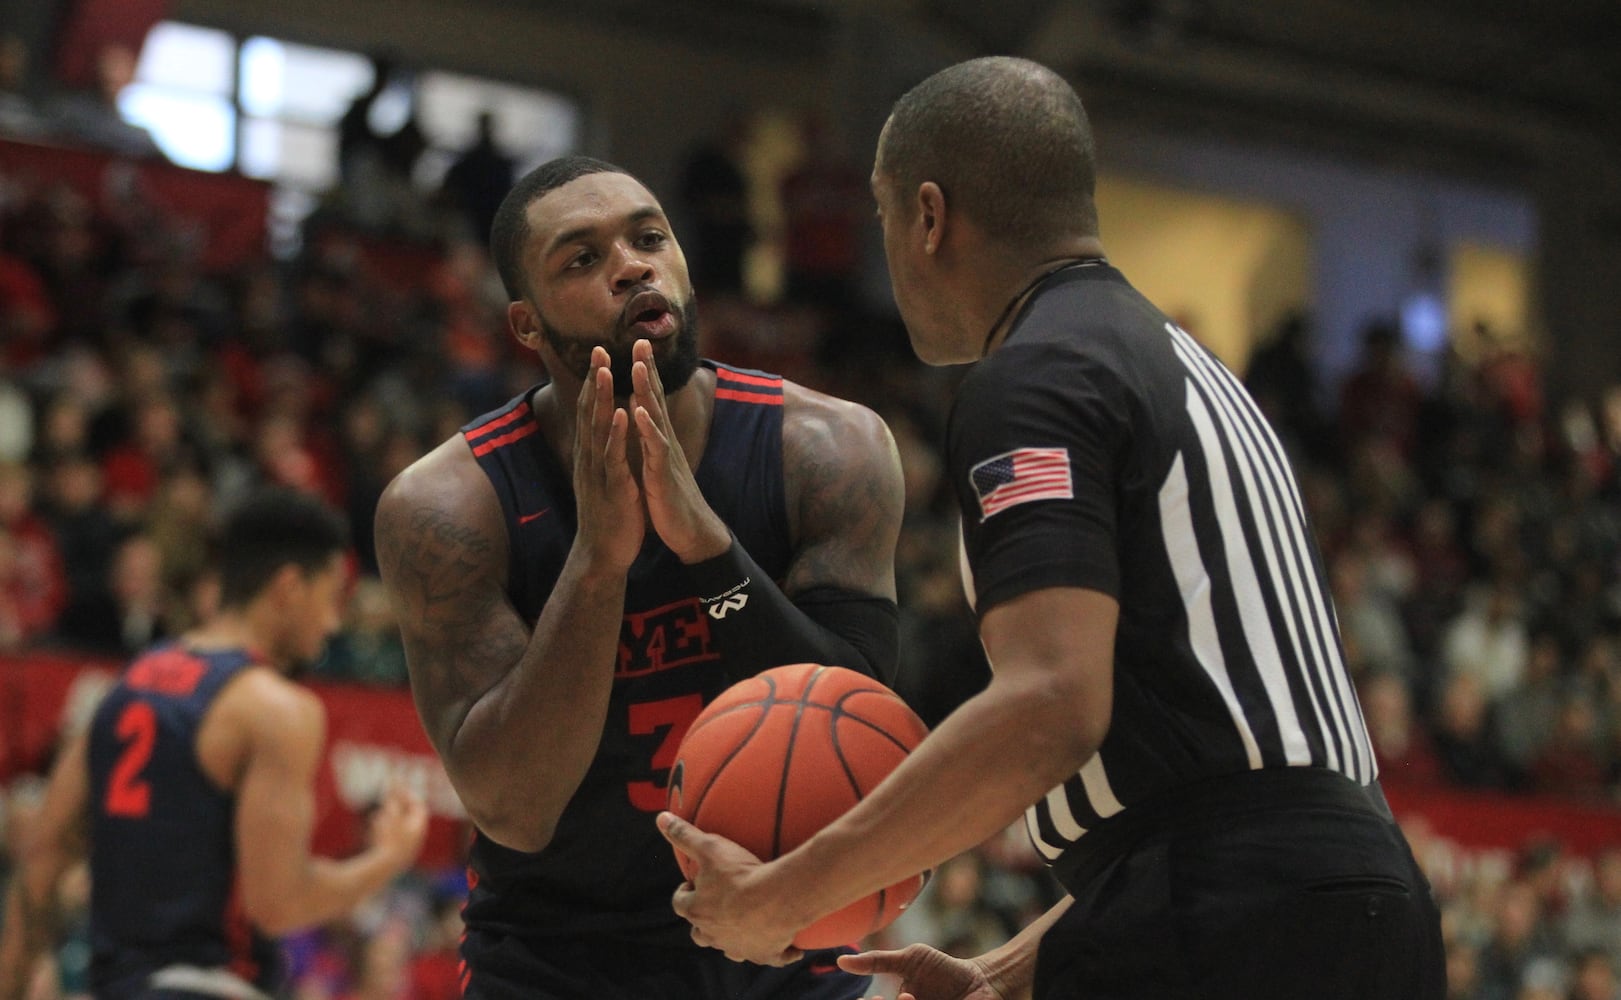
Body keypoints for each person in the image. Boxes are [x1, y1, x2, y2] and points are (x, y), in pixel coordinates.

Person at [659, 56, 1446, 1000]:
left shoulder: (1035, 374)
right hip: (1366, 899)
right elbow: (1237, 769)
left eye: (882, 215)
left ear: (928, 217)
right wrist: (1010, 970)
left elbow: (1052, 703)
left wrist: (787, 893)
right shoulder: (1189, 366)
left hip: (1231, 914)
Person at [372, 155, 905, 998]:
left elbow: (865, 740)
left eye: (648, 237)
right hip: (556, 967)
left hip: (786, 961)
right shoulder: (448, 506)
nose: (631, 265)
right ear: (526, 325)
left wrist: (709, 551)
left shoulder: (827, 450)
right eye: (581, 259)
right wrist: (597, 562)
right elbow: (513, 807)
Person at [0, 487, 429, 1000]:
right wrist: (386, 860)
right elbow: (278, 903)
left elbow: (41, 868)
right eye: (330, 597)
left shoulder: (122, 688)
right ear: (289, 587)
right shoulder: (276, 709)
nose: (333, 623)